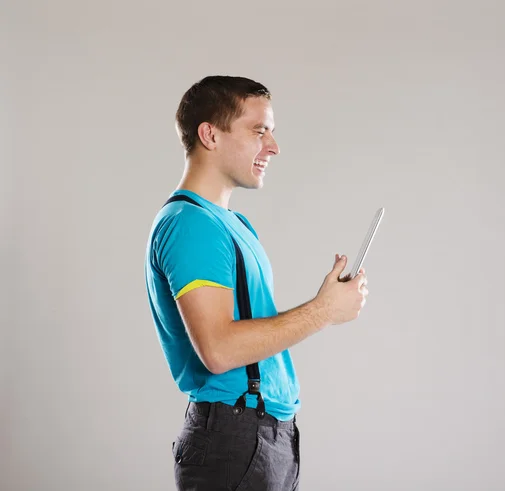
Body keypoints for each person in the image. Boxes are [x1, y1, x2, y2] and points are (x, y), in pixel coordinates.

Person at [145, 75, 369, 491]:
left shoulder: (231, 225)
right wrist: (324, 311)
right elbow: (219, 349)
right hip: (236, 438)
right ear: (210, 134)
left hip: (263, 437)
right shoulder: (192, 225)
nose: (274, 146)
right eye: (259, 130)